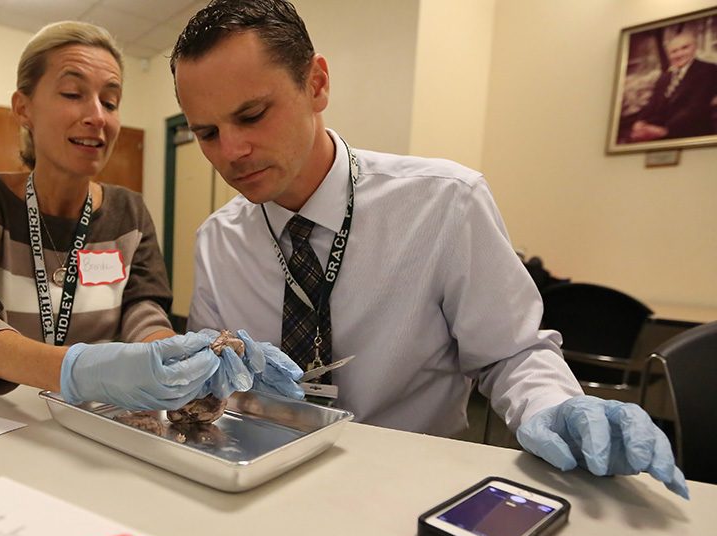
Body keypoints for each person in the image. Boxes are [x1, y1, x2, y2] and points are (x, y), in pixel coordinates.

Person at [170, 0, 688, 498]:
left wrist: (551, 405)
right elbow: (213, 378)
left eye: (253, 115)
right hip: (267, 481)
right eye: (208, 133)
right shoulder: (218, 239)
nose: (232, 152)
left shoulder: (444, 202)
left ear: (316, 83)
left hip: (415, 486)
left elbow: (511, 352)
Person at [0, 21, 260, 411]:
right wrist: (77, 370)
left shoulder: (128, 212)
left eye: (110, 101)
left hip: (96, 416)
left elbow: (143, 308)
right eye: (72, 93)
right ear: (24, 108)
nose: (97, 116)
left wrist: (169, 358)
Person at [630, 31, 717, 142]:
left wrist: (664, 131)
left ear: (694, 48)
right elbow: (652, 103)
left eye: (685, 48)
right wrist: (640, 122)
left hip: (691, 135)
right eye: (674, 51)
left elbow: (696, 107)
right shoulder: (665, 77)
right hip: (658, 133)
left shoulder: (708, 70)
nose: (679, 54)